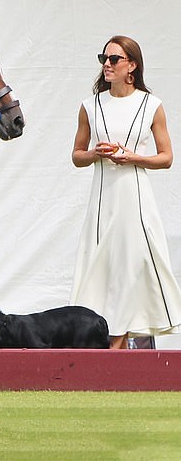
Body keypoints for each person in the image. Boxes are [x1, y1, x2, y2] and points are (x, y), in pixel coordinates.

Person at [71, 35, 181, 349]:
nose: (107, 64)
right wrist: (97, 154)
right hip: (102, 202)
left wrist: (132, 157)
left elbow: (166, 157)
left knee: (132, 267)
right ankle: (107, 344)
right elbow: (77, 155)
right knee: (101, 269)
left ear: (131, 65)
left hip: (135, 200)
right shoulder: (90, 106)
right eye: (104, 58)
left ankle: (118, 345)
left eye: (114, 59)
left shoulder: (151, 105)